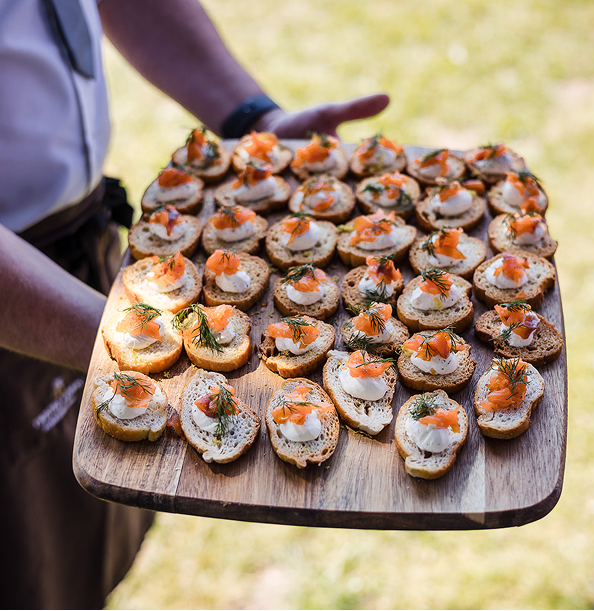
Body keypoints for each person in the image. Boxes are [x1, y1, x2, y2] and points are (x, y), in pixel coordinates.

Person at [0, 1, 390, 609]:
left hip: (83, 246)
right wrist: (134, 347)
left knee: (84, 542)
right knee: (21, 560)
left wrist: (250, 118)